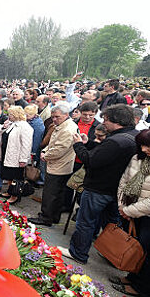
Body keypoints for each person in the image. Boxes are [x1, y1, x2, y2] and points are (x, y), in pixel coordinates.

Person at [58, 105, 139, 264]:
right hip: (116, 190)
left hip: (99, 188)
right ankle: (113, 255)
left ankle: (78, 253)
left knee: (86, 222)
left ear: (116, 121)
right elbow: (104, 156)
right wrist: (89, 144)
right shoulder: (133, 135)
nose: (104, 123)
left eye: (106, 119)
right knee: (113, 225)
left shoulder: (116, 140)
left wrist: (78, 145)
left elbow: (92, 161)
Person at [110, 129, 150, 297]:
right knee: (135, 248)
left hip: (145, 214)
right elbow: (124, 182)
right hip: (130, 210)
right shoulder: (138, 158)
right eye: (141, 145)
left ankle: (141, 287)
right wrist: (122, 206)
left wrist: (129, 210)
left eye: (147, 146)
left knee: (146, 253)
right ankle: (131, 277)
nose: (144, 149)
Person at [29, 104, 78, 227]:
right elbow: (53, 143)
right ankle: (53, 216)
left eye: (57, 117)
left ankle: (46, 217)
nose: (54, 119)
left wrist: (46, 155)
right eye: (53, 117)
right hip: (60, 165)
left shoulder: (67, 129)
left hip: (59, 166)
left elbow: (59, 149)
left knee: (50, 194)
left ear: (66, 115)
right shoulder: (63, 125)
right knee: (57, 194)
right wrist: (46, 151)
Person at [0, 106, 33, 204]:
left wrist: (23, 159)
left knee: (16, 176)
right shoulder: (13, 124)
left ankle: (15, 195)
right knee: (9, 175)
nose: (9, 116)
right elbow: (3, 132)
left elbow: (27, 144)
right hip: (8, 153)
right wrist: (4, 126)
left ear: (16, 115)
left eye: (10, 114)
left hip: (16, 156)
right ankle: (9, 191)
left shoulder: (24, 126)